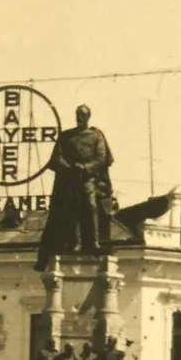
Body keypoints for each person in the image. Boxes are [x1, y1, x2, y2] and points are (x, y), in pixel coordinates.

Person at [34, 104, 116, 271]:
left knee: (91, 206)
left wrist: (85, 167)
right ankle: (74, 243)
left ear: (88, 116)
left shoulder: (95, 136)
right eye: (78, 114)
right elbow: (57, 158)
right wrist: (69, 168)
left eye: (83, 114)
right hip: (69, 180)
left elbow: (101, 157)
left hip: (87, 179)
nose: (80, 117)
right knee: (71, 210)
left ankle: (93, 243)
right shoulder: (66, 136)